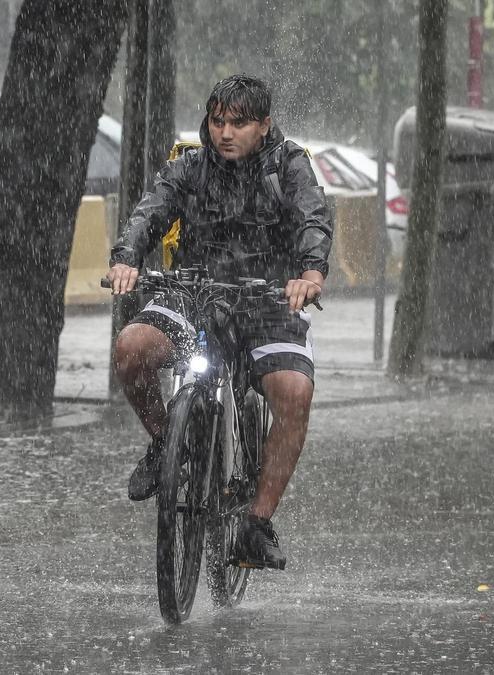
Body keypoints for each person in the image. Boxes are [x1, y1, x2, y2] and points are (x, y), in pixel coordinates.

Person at [107, 74, 332, 570]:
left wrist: (310, 273)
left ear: (265, 124)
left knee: (293, 393)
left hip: (270, 299)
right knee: (131, 348)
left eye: (239, 123)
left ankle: (256, 524)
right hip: (194, 293)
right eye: (217, 121)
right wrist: (126, 257)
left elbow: (314, 218)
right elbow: (149, 213)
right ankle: (169, 444)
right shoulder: (189, 167)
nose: (225, 133)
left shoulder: (289, 165)